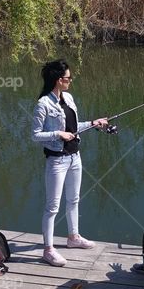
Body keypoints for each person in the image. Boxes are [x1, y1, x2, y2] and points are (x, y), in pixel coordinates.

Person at [31, 59, 108, 266]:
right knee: (52, 207)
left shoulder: (69, 98)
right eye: (67, 78)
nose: (70, 80)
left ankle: (73, 237)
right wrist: (58, 134)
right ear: (58, 80)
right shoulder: (43, 104)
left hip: (75, 157)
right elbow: (35, 135)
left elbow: (74, 128)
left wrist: (93, 124)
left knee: (74, 199)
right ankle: (48, 249)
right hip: (56, 161)